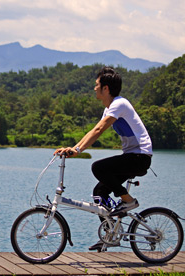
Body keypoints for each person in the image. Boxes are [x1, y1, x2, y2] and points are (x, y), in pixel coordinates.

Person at [54, 66, 152, 251]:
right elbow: (93, 130)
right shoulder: (109, 108)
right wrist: (74, 148)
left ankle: (128, 201)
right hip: (132, 157)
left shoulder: (119, 104)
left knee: (98, 168)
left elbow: (99, 131)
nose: (94, 88)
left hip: (140, 157)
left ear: (106, 88)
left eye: (97, 85)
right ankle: (110, 235)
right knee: (99, 193)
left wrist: (77, 151)